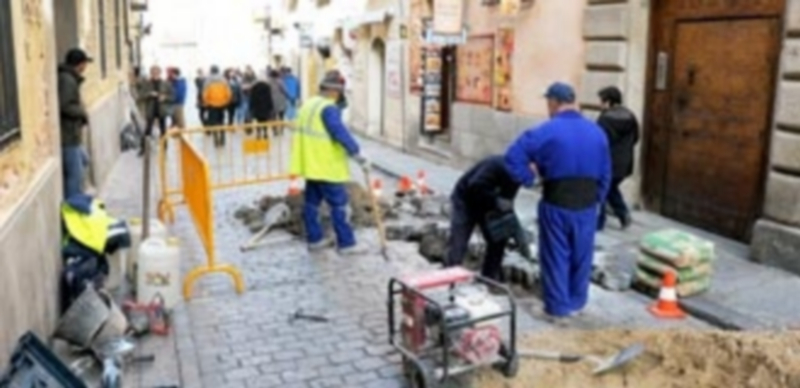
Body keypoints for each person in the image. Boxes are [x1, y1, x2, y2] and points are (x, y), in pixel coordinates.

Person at [504, 82, 610, 320]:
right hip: (586, 206)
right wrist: (597, 200)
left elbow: (512, 158)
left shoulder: (544, 131)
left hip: (557, 202)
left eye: (548, 103)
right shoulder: (597, 132)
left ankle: (558, 307)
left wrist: (529, 178)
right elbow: (606, 173)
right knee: (582, 255)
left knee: (556, 255)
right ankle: (577, 301)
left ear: (553, 102)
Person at [289, 70, 369, 255]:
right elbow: (339, 133)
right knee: (340, 205)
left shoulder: (309, 104)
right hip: (327, 166)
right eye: (340, 93)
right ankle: (347, 244)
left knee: (312, 205)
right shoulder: (328, 109)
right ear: (334, 92)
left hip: (310, 165)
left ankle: (315, 240)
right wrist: (359, 154)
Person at [446, 155, 524, 282]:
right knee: (459, 241)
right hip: (466, 200)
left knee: (498, 240)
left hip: (487, 206)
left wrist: (513, 227)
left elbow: (507, 202)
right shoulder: (495, 166)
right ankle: (449, 277)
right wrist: (495, 200)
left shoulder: (518, 177)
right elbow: (474, 186)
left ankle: (488, 277)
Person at [596, 86, 638, 231]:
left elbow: (598, 141)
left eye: (602, 101)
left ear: (609, 102)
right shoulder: (630, 116)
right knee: (611, 188)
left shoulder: (605, 118)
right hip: (625, 163)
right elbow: (636, 138)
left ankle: (599, 221)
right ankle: (623, 214)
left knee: (601, 188)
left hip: (609, 162)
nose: (600, 104)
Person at [57, 48, 92, 199]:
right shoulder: (67, 79)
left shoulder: (71, 78)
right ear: (80, 64)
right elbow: (64, 105)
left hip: (73, 134)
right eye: (85, 63)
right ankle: (73, 206)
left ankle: (77, 197)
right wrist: (81, 113)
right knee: (74, 175)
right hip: (68, 135)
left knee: (84, 160)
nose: (86, 67)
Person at [137, 65, 174, 156]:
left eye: (156, 72)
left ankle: (164, 148)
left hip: (162, 110)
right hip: (151, 109)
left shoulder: (166, 83)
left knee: (163, 130)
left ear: (160, 73)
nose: (155, 74)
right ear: (151, 73)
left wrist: (164, 97)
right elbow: (140, 96)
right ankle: (143, 148)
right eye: (153, 72)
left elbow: (173, 96)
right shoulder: (147, 84)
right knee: (147, 130)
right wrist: (149, 94)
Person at [201, 65, 233, 147]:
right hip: (222, 104)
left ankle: (216, 140)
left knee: (214, 123)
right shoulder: (224, 80)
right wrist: (226, 101)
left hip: (212, 105)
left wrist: (207, 102)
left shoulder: (208, 81)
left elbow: (205, 94)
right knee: (221, 122)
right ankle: (222, 140)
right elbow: (229, 93)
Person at [249, 71, 275, 139]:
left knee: (258, 121)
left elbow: (252, 97)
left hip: (257, 107)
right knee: (265, 121)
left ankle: (258, 133)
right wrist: (271, 107)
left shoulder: (254, 87)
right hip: (265, 107)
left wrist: (251, 107)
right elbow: (269, 97)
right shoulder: (267, 86)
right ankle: (265, 133)